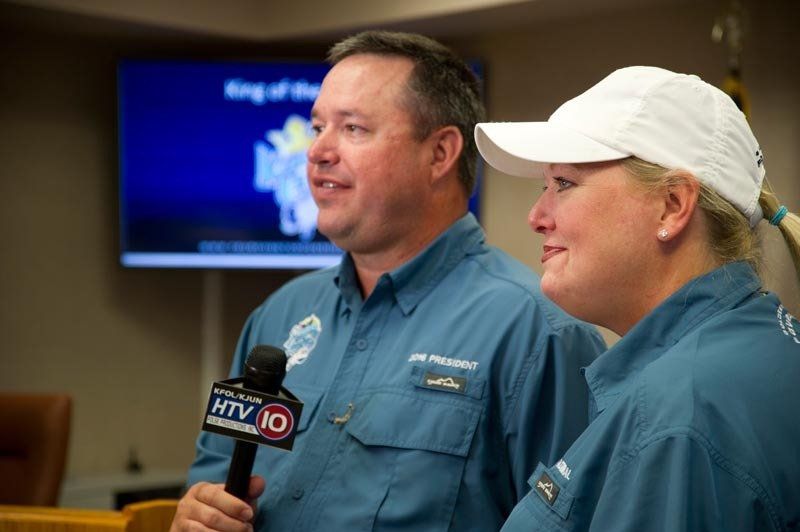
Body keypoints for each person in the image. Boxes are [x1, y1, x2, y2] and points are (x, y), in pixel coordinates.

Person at [171, 31, 605, 532]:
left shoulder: (540, 333)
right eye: (317, 127)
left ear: (440, 153)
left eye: (353, 128)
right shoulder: (278, 317)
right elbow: (214, 476)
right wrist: (196, 513)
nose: (317, 152)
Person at [476, 65, 800, 531]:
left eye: (564, 184)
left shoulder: (679, 416)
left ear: (672, 204)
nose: (536, 216)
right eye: (542, 186)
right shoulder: (752, 346)